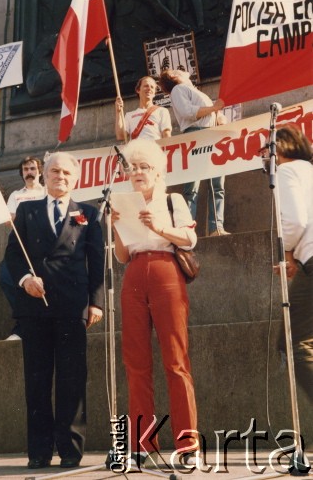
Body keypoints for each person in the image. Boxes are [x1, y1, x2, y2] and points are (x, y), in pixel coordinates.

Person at [4, 151, 104, 469]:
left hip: (72, 307)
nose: (60, 176)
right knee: (37, 380)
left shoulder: (88, 213)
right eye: (54, 171)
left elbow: (97, 261)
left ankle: (71, 451)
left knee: (72, 379)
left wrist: (97, 301)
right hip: (35, 306)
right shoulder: (26, 209)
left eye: (66, 172)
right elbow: (13, 255)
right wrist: (24, 280)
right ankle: (39, 451)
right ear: (43, 176)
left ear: (76, 178)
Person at [111, 139, 199, 467]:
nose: (137, 172)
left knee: (175, 360)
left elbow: (190, 238)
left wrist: (159, 226)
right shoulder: (123, 203)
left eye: (144, 167)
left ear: (157, 171)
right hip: (134, 274)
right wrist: (116, 226)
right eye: (132, 168)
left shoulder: (172, 199)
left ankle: (187, 443)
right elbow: (122, 256)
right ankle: (142, 443)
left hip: (166, 271)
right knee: (136, 362)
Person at [158, 69, 229, 236]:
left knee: (217, 184)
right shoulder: (178, 90)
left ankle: (216, 227)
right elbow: (187, 112)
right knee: (193, 186)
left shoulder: (194, 91)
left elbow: (210, 113)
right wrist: (214, 108)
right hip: (196, 134)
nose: (182, 70)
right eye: (177, 70)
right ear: (174, 77)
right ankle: (187, 229)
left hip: (211, 133)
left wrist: (219, 116)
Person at [273, 125, 313, 403]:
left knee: (293, 341)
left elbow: (296, 221)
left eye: (269, 149)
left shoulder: (287, 171)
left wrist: (286, 251)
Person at [1, 156, 46, 340]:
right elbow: (8, 220)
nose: (29, 172)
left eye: (33, 169)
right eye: (26, 169)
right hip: (19, 243)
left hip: (40, 244)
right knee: (6, 278)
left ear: (40, 171)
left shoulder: (46, 192)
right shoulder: (15, 195)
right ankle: (24, 323)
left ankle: (26, 326)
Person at [115, 76, 172, 141]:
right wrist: (118, 112)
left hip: (155, 149)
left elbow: (167, 135)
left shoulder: (162, 111)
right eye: (146, 86)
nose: (149, 89)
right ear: (138, 90)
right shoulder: (129, 115)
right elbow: (121, 136)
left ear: (154, 93)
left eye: (152, 87)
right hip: (136, 150)